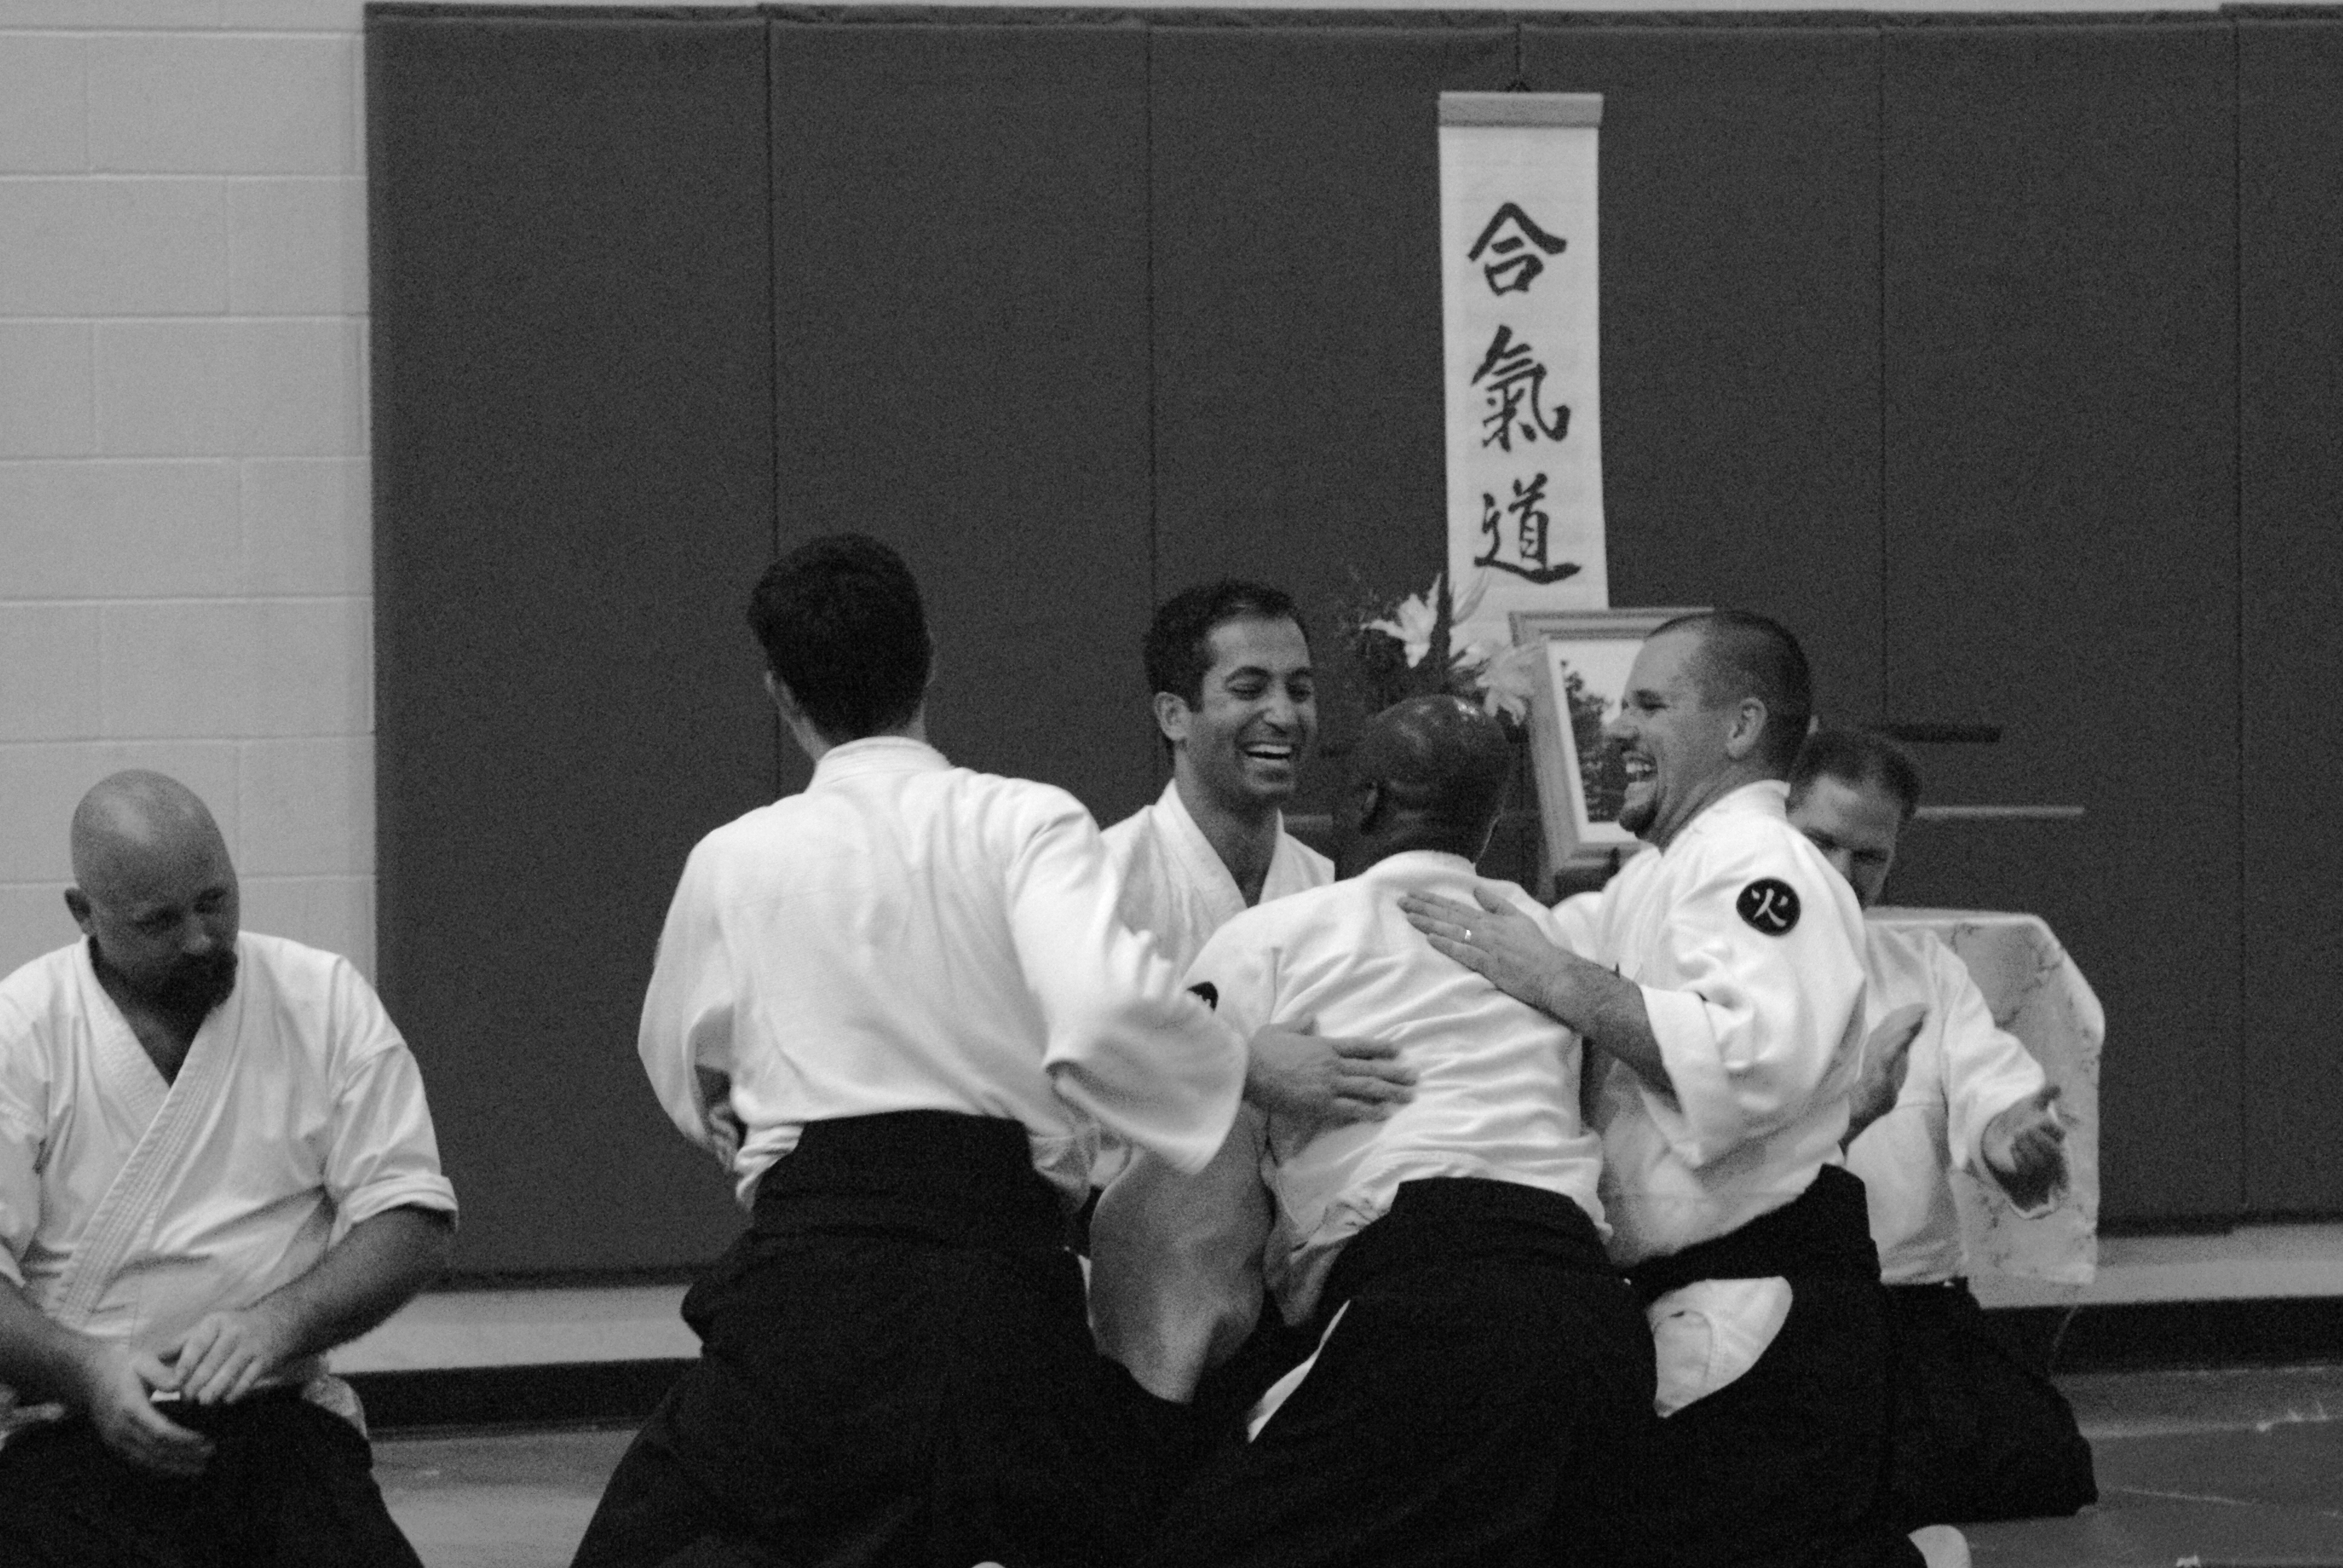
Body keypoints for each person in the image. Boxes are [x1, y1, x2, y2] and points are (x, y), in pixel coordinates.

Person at [572, 534, 1249, 1568]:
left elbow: (681, 1065)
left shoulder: (735, 856)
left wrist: (742, 1130)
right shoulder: (1025, 820)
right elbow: (1107, 1013)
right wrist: (1236, 1067)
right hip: (995, 1286)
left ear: (780, 693)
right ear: (930, 658)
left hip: (811, 1286)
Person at [1401, 611, 1937, 1568]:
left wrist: (1560, 983)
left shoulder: (1766, 867)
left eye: (1648, 704)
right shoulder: (1663, 876)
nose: (1613, 729)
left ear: (1738, 728)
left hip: (1763, 1300)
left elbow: (1752, 1056)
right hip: (1696, 1292)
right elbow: (1540, 940)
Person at [1121, 696, 1651, 1568]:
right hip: (1593, 1317)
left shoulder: (1271, 937)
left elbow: (1187, 1195)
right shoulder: (1544, 941)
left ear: (1363, 802)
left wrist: (1159, 1387)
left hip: (1428, 1307)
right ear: (1484, 825)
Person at [0, 771, 458, 1567]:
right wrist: (88, 1370)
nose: (202, 939)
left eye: (215, 901)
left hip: (275, 1412)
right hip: (63, 1422)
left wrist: (278, 1324)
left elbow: (411, 1218)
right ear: (84, 913)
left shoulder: (321, 999)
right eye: (160, 921)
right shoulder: (22, 1033)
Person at [1788, 727, 2096, 1527]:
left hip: (1902, 1311)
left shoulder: (1922, 969)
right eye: (1817, 843)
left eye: (1869, 858)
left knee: (2041, 1464)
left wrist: (2008, 1141)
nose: (1839, 876)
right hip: (1773, 1308)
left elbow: (1994, 1084)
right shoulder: (1701, 957)